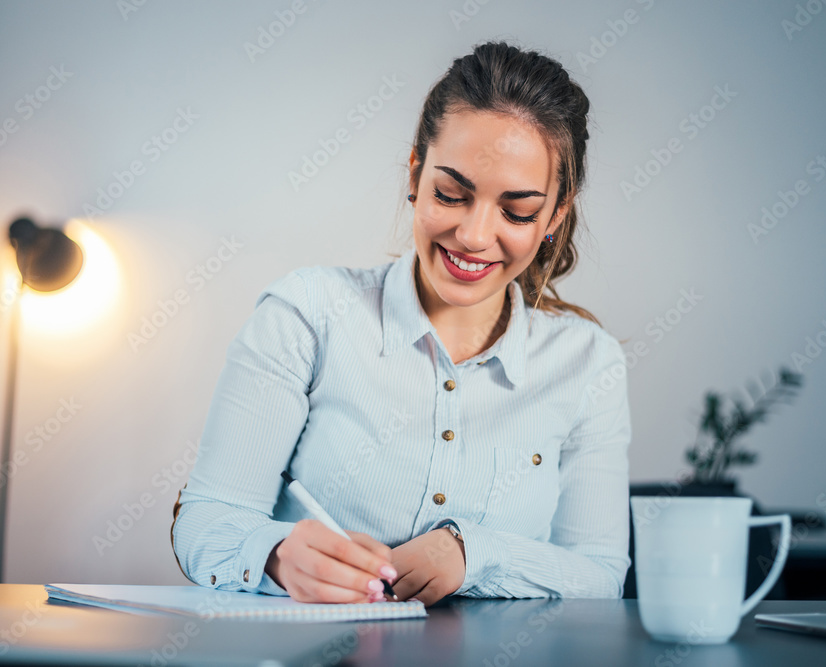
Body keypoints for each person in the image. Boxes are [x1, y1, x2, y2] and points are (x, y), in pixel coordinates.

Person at [171, 40, 631, 607]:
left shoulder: (589, 363)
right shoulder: (307, 315)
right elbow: (208, 520)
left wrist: (475, 555)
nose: (475, 236)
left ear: (555, 214)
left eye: (518, 211)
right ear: (415, 175)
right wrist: (275, 554)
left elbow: (600, 575)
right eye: (451, 194)